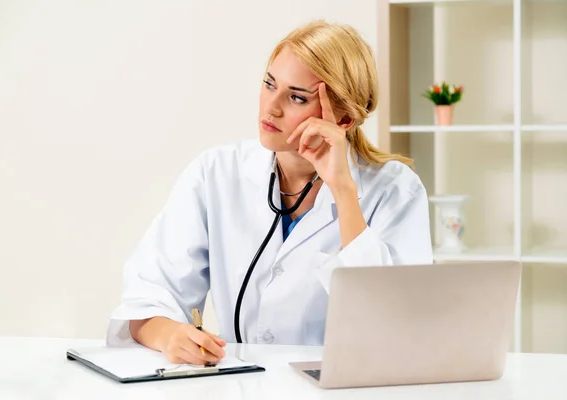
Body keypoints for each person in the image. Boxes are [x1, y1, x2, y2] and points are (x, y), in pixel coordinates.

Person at [107, 20, 433, 366]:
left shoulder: (395, 190)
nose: (271, 107)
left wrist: (343, 189)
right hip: (244, 385)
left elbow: (397, 325)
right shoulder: (216, 173)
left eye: (296, 97)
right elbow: (148, 296)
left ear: (344, 120)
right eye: (269, 84)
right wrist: (170, 335)